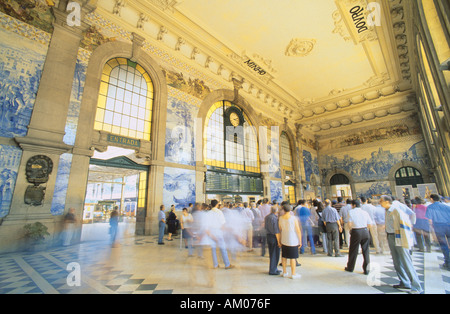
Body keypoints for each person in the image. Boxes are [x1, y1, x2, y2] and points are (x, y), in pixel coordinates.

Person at [380, 195, 423, 293]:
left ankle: (416, 286)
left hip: (399, 236)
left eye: (381, 201)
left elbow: (411, 215)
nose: (379, 203)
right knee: (397, 261)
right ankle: (404, 282)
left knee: (406, 261)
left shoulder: (396, 210)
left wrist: (410, 228)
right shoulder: (387, 210)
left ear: (387, 201)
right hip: (391, 236)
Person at [345, 199, 373, 275]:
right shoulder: (365, 212)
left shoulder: (351, 212)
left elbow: (350, 223)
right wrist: (366, 230)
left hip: (356, 231)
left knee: (353, 250)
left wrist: (351, 231)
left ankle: (350, 267)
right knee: (366, 251)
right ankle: (367, 269)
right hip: (365, 231)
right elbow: (370, 224)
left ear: (353, 205)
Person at [207, 200, 234, 269]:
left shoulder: (208, 213)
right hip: (218, 231)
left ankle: (215, 265)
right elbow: (223, 224)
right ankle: (227, 264)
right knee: (223, 248)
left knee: (213, 249)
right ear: (217, 204)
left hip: (211, 231)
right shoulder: (219, 212)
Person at [426, 194, 450, 270]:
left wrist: (432, 232)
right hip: (448, 225)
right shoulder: (446, 206)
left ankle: (448, 263)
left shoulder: (430, 207)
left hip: (439, 227)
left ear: (432, 199)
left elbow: (429, 220)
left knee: (443, 245)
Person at [278, 204, 302, 279]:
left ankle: (284, 272)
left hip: (284, 239)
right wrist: (300, 241)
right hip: (293, 239)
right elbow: (298, 230)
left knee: (284, 256)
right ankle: (293, 273)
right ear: (290, 210)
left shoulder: (280, 218)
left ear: (283, 210)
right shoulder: (293, 218)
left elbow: (280, 229)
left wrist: (279, 240)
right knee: (293, 258)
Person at [265, 205, 281, 275]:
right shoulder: (274, 218)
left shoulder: (267, 217)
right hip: (274, 237)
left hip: (268, 236)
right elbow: (276, 230)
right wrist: (279, 241)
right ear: (276, 211)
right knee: (275, 254)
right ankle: (273, 270)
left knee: (272, 253)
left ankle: (274, 268)